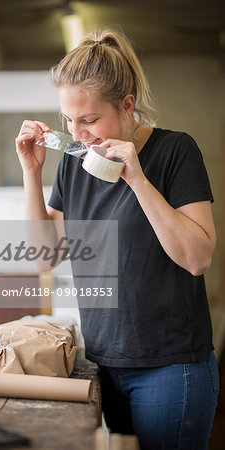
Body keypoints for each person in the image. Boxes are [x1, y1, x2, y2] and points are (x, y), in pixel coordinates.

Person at [15, 27, 219, 450]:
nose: (79, 133)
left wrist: (137, 179)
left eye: (89, 120)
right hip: (104, 362)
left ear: (127, 105)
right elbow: (44, 258)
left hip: (171, 367)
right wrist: (31, 174)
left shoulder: (175, 152)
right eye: (69, 120)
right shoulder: (75, 164)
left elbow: (197, 258)